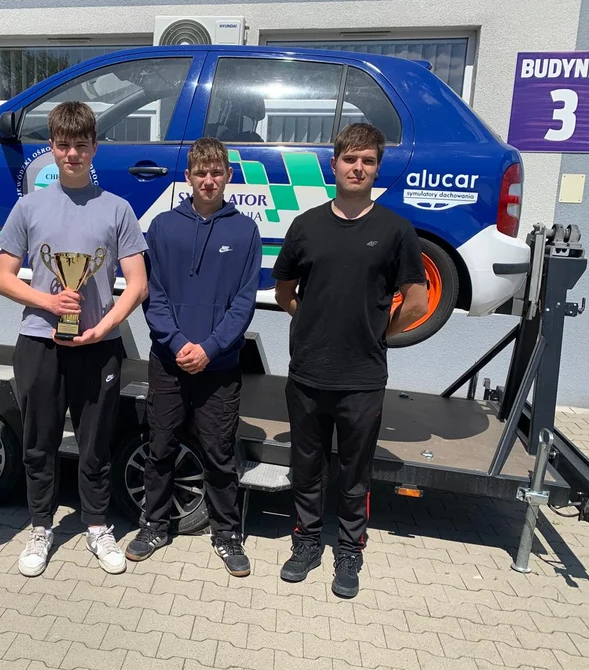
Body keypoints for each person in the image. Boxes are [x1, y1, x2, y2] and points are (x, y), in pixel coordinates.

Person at [270, 122, 428, 598]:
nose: (358, 168)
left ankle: (349, 551)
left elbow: (416, 302)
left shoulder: (396, 230)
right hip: (308, 373)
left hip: (362, 378)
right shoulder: (306, 226)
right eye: (350, 159)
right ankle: (306, 543)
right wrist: (313, 322)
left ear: (377, 169)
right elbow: (284, 293)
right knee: (307, 467)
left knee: (354, 474)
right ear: (333, 163)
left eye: (368, 161)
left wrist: (378, 334)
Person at [0, 100, 149, 578]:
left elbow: (137, 284)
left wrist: (106, 326)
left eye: (81, 145)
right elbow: (3, 279)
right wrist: (48, 301)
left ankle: (97, 525)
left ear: (94, 147)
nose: (73, 154)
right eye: (64, 145)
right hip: (39, 342)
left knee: (95, 443)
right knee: (38, 442)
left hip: (98, 345)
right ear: (52, 148)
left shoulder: (118, 209)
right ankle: (41, 527)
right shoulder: (28, 206)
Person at [126, 137, 261, 576]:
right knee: (160, 447)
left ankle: (226, 533)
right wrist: (178, 342)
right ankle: (154, 525)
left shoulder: (245, 231)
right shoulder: (163, 227)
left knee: (220, 453)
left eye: (216, 172)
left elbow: (244, 303)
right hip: (169, 362)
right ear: (188, 176)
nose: (208, 180)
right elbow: (153, 294)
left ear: (228, 176)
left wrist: (209, 348)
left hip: (219, 367)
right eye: (200, 172)